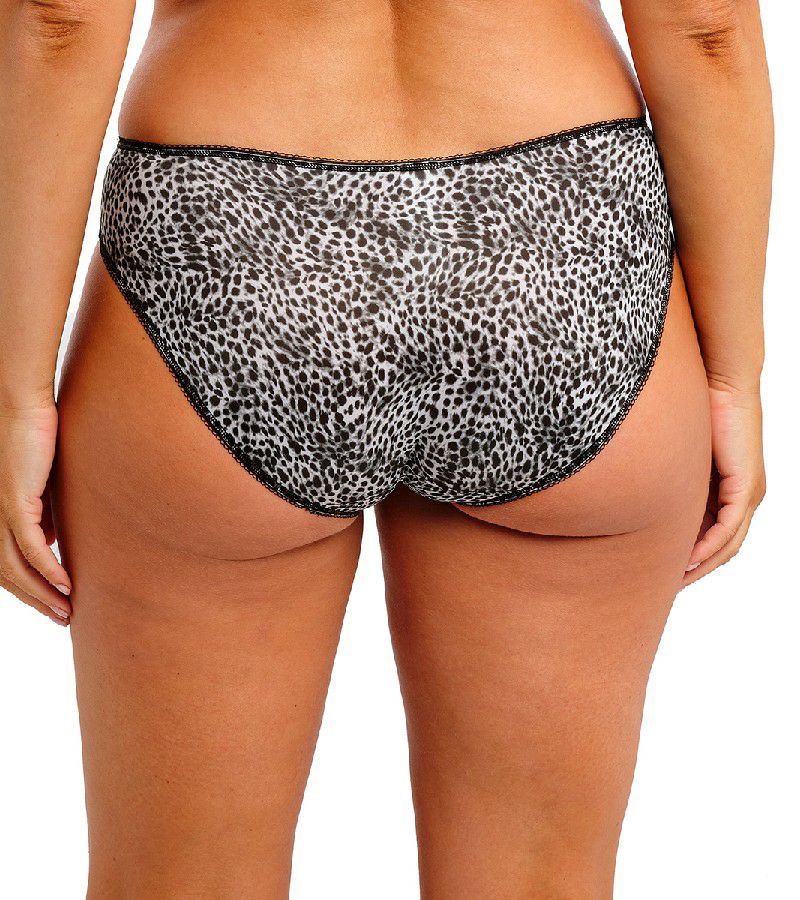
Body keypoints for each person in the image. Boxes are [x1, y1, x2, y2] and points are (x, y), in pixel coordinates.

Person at [0, 0, 772, 896]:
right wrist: (735, 375)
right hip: (560, 244)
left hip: (235, 235)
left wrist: (16, 393)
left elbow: (58, 19)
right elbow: (705, 24)